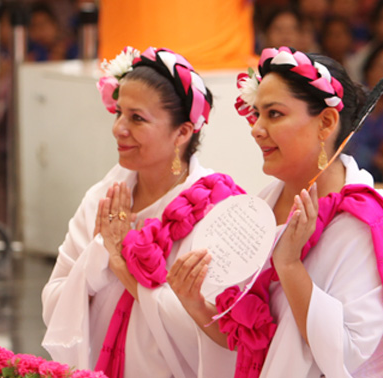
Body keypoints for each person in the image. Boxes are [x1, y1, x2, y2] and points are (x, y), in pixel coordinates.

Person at [168, 47, 383, 377]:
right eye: (257, 114)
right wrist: (195, 304)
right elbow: (247, 342)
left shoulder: (361, 222)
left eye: (274, 114)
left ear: (326, 122)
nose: (256, 129)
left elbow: (348, 355)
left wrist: (288, 266)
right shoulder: (261, 205)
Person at [41, 47, 237, 378]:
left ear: (183, 132)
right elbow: (53, 302)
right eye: (119, 113)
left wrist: (121, 263)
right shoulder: (103, 198)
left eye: (137, 118)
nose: (118, 128)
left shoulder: (218, 211)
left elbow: (217, 340)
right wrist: (99, 256)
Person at [346, 42, 383, 181]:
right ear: (370, 69)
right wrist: (374, 159)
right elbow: (345, 143)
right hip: (351, 172)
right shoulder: (352, 98)